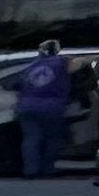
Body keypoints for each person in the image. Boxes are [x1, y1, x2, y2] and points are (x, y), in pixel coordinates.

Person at [11, 40, 75, 179]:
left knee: (31, 138)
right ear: (57, 50)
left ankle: (30, 170)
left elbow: (18, 84)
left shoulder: (31, 65)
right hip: (52, 107)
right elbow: (78, 65)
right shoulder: (62, 62)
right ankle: (48, 169)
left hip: (27, 107)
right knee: (53, 138)